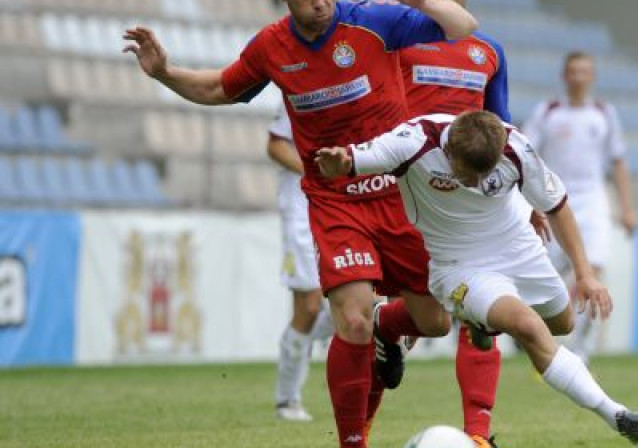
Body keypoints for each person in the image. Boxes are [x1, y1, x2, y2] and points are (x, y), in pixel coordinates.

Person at [123, 1, 478, 446]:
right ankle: (352, 441)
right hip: (336, 203)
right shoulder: (273, 45)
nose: (321, 2)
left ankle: (388, 325)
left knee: (435, 322)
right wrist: (165, 73)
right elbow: (220, 89)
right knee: (352, 322)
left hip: (397, 192)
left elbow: (462, 26)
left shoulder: (372, 21)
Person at [315, 110, 638, 445]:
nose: (479, 183)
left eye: (487, 174)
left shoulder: (514, 147)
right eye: (470, 175)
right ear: (449, 152)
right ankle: (618, 415)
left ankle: (401, 321)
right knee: (527, 327)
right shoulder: (414, 142)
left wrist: (585, 275)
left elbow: (558, 206)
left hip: (517, 247)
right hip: (459, 264)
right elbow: (353, 159)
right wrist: (340, 163)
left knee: (562, 323)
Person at [397, 13, 509, 447]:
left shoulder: (489, 51)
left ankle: (478, 438)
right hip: (408, 197)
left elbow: (503, 128)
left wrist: (523, 196)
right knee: (426, 319)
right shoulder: (396, 39)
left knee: (478, 316)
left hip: (469, 203)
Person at [522, 51, 635, 365]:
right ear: (564, 75)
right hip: (555, 200)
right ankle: (541, 338)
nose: (579, 77)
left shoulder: (604, 113)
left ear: (592, 76)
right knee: (549, 276)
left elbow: (619, 161)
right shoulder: (547, 112)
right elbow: (525, 154)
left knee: (592, 271)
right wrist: (530, 202)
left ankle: (578, 347)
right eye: (574, 71)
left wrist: (627, 208)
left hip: (593, 202)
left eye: (585, 71)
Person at [267, 105, 335, 422]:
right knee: (308, 306)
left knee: (361, 302)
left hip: (342, 207)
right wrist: (313, 172)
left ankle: (301, 343)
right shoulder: (300, 88)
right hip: (301, 209)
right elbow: (276, 144)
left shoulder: (358, 85)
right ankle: (287, 400)